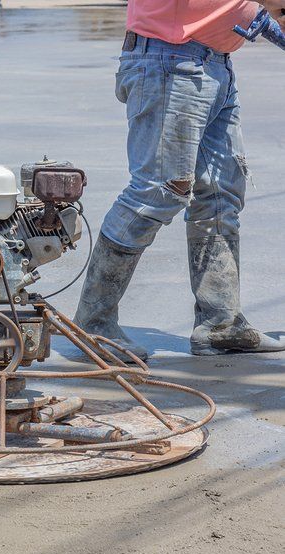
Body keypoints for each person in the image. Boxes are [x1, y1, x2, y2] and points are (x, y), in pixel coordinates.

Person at [74, 0, 285, 360]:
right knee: (157, 191)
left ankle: (220, 324)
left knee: (221, 195)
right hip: (169, 60)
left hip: (214, 65)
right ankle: (92, 324)